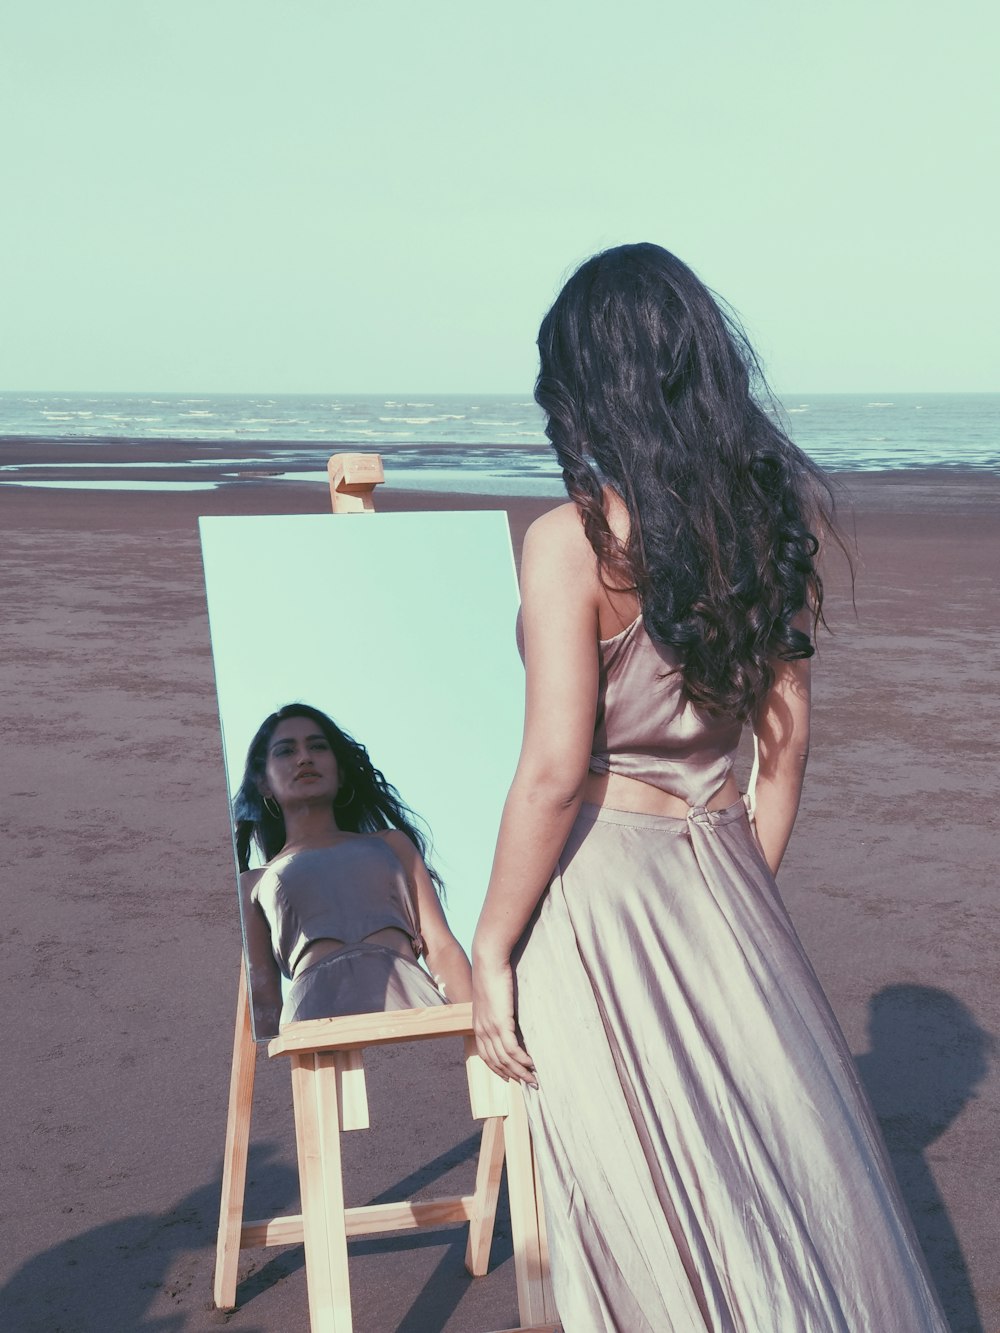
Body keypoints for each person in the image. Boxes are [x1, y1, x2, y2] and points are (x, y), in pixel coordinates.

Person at [472, 244, 948, 1330]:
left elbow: (553, 771)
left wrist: (493, 945)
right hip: (727, 878)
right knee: (771, 1184)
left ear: (590, 384)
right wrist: (731, 891)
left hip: (598, 897)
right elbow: (783, 757)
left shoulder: (570, 542)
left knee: (633, 1200)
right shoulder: (757, 530)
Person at [234, 702, 472, 1035]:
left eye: (317, 746)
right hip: (314, 1026)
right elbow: (263, 999)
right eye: (286, 751)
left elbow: (442, 947)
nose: (304, 758)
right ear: (263, 783)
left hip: (415, 1010)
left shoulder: (391, 844)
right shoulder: (252, 883)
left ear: (341, 770)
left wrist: (478, 1029)